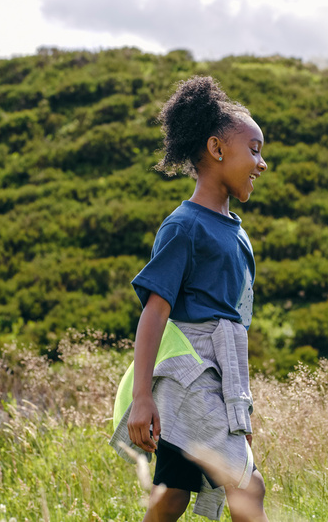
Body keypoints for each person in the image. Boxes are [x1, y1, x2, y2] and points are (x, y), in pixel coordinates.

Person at [109, 75, 269, 522]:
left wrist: (237, 408)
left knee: (173, 492)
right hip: (188, 373)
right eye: (254, 150)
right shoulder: (183, 226)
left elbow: (237, 325)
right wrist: (143, 397)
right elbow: (154, 313)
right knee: (247, 485)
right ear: (217, 150)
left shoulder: (237, 233)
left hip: (220, 373)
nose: (262, 163)